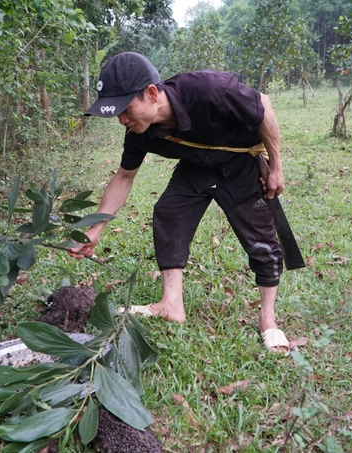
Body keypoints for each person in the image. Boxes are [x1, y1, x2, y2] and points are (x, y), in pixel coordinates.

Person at [69, 52, 291, 355]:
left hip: (240, 165)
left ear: (150, 94)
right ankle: (171, 305)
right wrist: (96, 228)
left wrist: (276, 167)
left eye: (125, 109)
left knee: (261, 240)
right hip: (196, 166)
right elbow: (124, 177)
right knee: (169, 212)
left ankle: (268, 321)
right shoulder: (140, 132)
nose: (122, 120)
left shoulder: (209, 90)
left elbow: (262, 106)